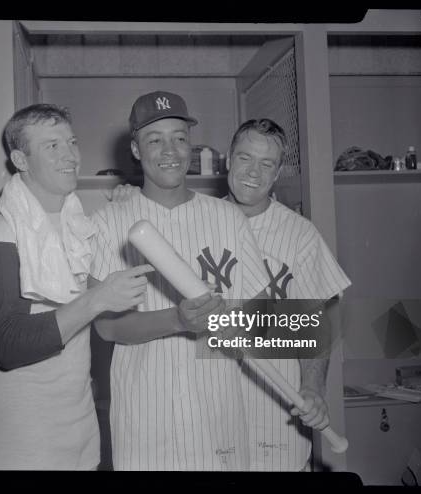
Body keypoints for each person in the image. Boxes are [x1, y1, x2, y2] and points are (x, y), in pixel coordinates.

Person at [0, 103, 154, 470]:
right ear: (21, 159)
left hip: (77, 412)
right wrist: (96, 300)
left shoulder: (76, 227)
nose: (71, 155)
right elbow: (9, 344)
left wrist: (125, 206)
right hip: (24, 420)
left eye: (72, 142)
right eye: (52, 146)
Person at [89, 91, 270, 471]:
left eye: (180, 137)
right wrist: (176, 321)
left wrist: (235, 322)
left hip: (218, 413)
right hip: (145, 420)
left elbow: (260, 311)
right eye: (155, 140)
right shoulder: (108, 222)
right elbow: (106, 326)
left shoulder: (227, 218)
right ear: (136, 150)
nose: (170, 150)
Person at [226, 118, 351, 471]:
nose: (254, 172)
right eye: (245, 158)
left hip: (275, 411)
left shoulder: (299, 235)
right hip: (208, 411)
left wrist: (313, 389)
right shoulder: (198, 221)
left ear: (278, 171)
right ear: (228, 160)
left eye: (267, 163)